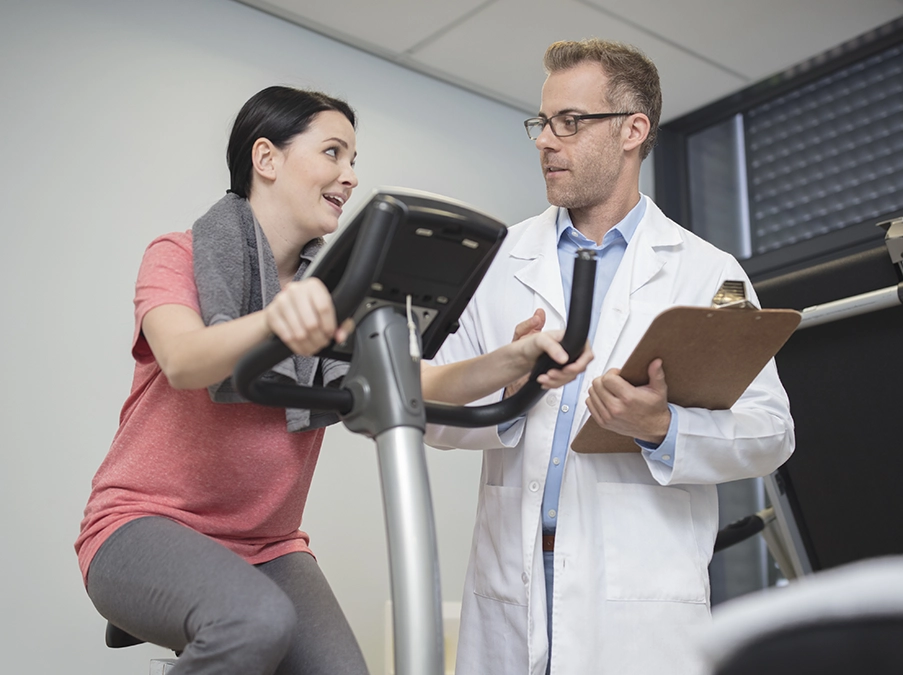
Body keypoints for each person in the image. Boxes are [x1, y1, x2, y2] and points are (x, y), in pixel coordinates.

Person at [74, 85, 592, 675]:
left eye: (353, 162)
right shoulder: (178, 255)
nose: (348, 176)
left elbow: (418, 382)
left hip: (269, 545)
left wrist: (515, 361)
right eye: (332, 153)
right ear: (266, 158)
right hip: (141, 524)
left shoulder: (339, 293)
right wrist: (276, 318)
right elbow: (185, 359)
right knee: (253, 623)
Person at [425, 39, 795, 675]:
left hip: (637, 605)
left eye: (569, 122)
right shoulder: (496, 260)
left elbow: (771, 432)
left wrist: (661, 428)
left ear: (633, 130)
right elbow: (429, 411)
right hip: (512, 590)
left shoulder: (709, 273)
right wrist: (511, 385)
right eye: (542, 122)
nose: (545, 140)